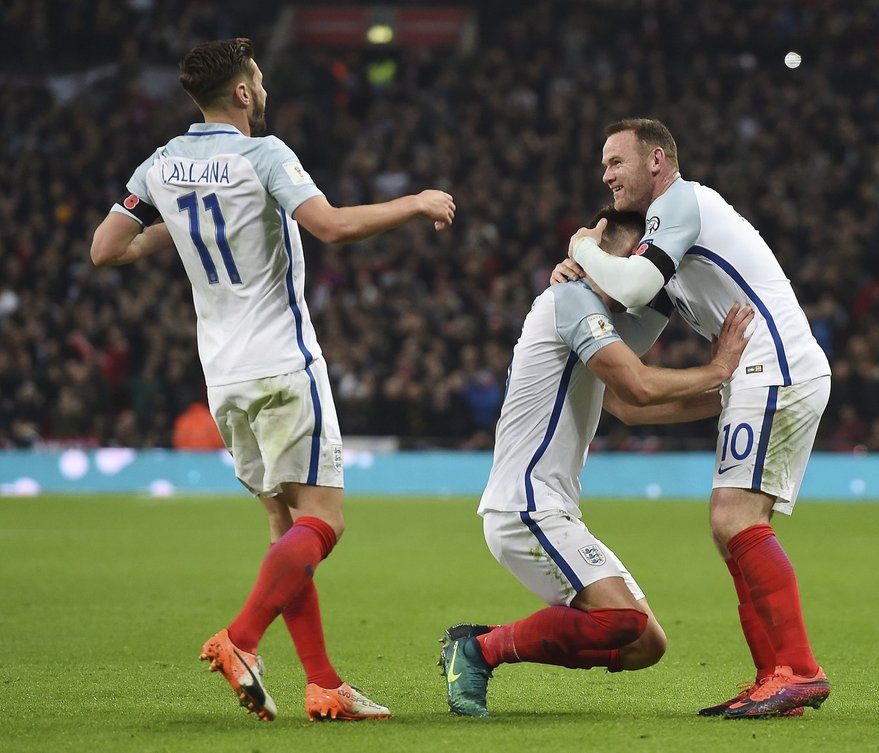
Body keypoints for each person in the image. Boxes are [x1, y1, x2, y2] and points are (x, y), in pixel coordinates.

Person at [90, 37, 455, 722]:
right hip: (284, 364)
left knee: (283, 525)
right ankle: (242, 637)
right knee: (324, 520)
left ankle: (323, 683)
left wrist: (176, 226)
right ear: (242, 93)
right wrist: (415, 202)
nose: (262, 89)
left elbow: (106, 248)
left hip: (222, 375)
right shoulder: (265, 154)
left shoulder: (161, 163)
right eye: (257, 80)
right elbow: (332, 226)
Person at [558, 118, 832, 718]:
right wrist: (579, 284)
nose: (606, 176)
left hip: (773, 365)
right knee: (729, 526)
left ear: (657, 161)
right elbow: (628, 331)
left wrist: (580, 245)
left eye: (615, 162)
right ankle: (773, 677)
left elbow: (631, 286)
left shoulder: (683, 200)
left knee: (735, 519)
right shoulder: (669, 245)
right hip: (759, 373)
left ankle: (799, 670)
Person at [439, 207, 754, 717]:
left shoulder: (597, 315)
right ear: (625, 259)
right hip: (525, 506)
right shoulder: (572, 300)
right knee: (620, 622)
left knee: (645, 643)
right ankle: (477, 651)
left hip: (553, 508)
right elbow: (639, 385)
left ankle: (488, 645)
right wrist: (718, 368)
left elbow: (627, 406)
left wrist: (734, 397)